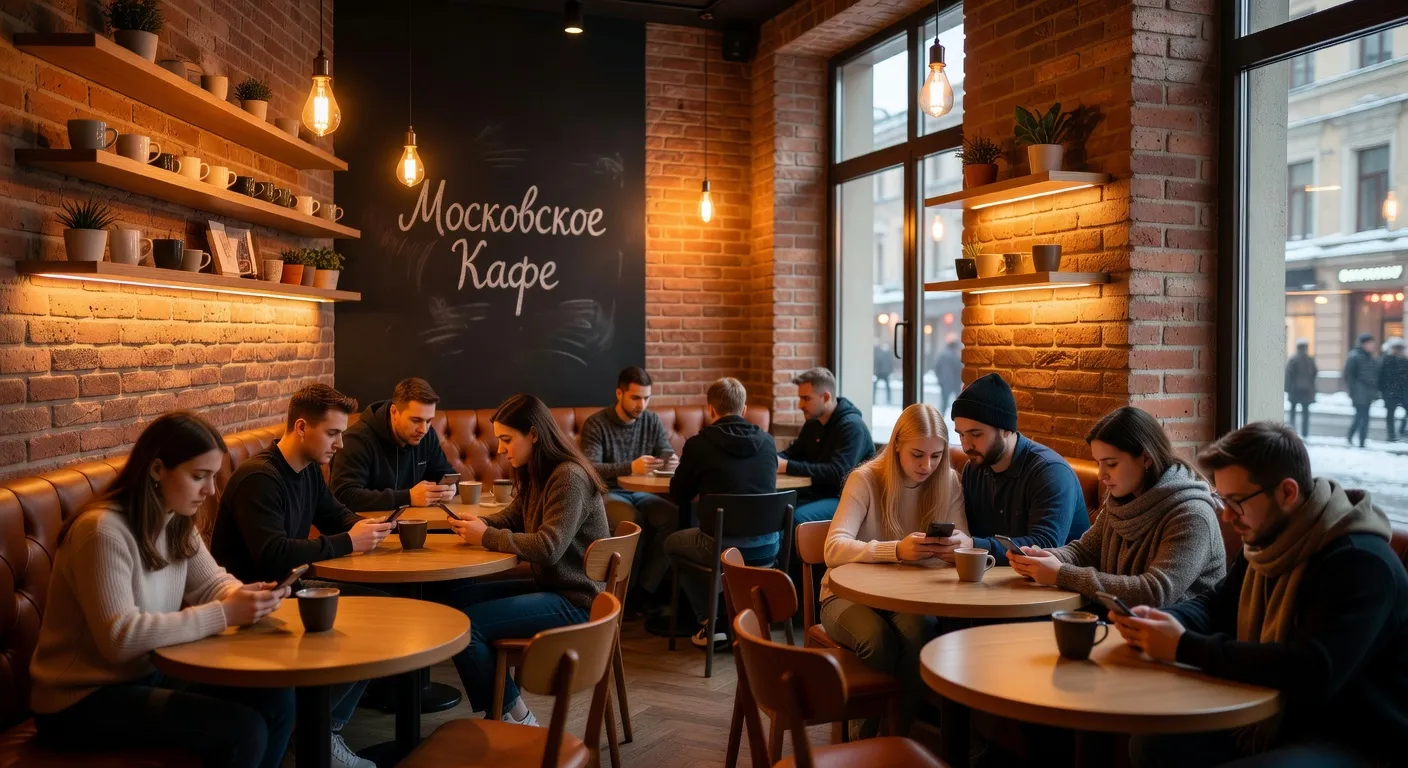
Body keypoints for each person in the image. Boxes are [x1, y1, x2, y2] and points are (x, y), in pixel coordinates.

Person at [1115, 422, 1408, 768]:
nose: (1227, 516)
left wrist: (1182, 646)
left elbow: (1314, 669)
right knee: (1151, 745)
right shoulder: (1268, 541)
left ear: (1287, 493)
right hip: (1278, 718)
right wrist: (1160, 622)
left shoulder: (1360, 560)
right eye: (1223, 500)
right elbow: (1218, 604)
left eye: (1236, 503)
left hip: (1356, 736)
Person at [29, 412, 294, 768]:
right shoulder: (102, 531)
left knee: (276, 696)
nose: (210, 490)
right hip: (78, 701)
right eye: (199, 476)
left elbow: (212, 583)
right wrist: (225, 613)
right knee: (244, 731)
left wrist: (243, 597)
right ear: (156, 470)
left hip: (145, 675)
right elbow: (120, 638)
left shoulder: (175, 520)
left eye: (213, 477)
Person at [211, 383, 390, 768]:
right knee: (373, 620)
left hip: (288, 590)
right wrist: (348, 541)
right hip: (253, 604)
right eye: (333, 433)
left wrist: (367, 528)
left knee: (383, 613)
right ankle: (314, 731)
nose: (340, 444)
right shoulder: (260, 478)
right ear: (303, 427)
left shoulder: (308, 470)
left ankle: (322, 728)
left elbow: (335, 515)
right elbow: (274, 557)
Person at [442, 393, 610, 726]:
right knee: (450, 605)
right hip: (552, 585)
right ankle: (507, 710)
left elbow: (549, 547)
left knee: (466, 624)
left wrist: (485, 537)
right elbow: (515, 516)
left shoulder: (569, 476)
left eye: (507, 440)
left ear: (533, 434)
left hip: (577, 600)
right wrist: (479, 525)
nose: (502, 449)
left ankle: (513, 715)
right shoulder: (539, 471)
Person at [820, 403, 966, 735]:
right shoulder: (866, 479)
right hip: (845, 595)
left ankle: (896, 735)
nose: (927, 465)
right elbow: (832, 549)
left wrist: (957, 546)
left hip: (904, 597)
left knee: (922, 633)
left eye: (936, 456)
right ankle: (865, 738)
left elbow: (966, 540)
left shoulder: (950, 482)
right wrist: (896, 550)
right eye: (917, 454)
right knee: (878, 640)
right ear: (897, 443)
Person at [1008, 406, 1226, 608]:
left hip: (1177, 639)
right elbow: (1085, 552)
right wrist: (1043, 558)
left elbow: (1155, 592)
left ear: (1146, 458)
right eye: (1098, 463)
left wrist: (1061, 574)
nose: (1102, 474)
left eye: (1111, 464)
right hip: (1122, 623)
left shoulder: (1192, 514)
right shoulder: (1120, 499)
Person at [664, 377, 778, 648]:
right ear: (745, 409)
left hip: (721, 548)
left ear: (711, 410)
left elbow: (678, 494)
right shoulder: (768, 442)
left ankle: (710, 621)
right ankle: (743, 620)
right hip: (768, 547)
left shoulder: (698, 445)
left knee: (671, 544)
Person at [940, 373, 1089, 564]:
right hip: (1000, 581)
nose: (966, 445)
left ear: (1006, 429)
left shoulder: (1050, 472)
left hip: (1055, 588)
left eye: (975, 434)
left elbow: (1045, 545)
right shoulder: (974, 469)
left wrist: (975, 546)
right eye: (961, 435)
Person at [578, 366, 679, 601]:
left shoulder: (651, 420)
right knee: (632, 520)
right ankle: (624, 596)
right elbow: (591, 468)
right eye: (635, 398)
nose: (641, 405)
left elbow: (664, 449)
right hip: (608, 492)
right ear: (619, 394)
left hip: (642, 492)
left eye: (646, 398)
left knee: (675, 517)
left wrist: (669, 460)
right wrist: (630, 467)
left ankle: (646, 590)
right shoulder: (596, 423)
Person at [330, 376, 458, 511]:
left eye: (428, 421)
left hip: (416, 522)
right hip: (368, 527)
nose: (423, 429)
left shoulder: (426, 435)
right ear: (394, 412)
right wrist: (407, 497)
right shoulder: (357, 439)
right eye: (415, 420)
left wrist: (450, 488)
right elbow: (344, 495)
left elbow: (445, 474)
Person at [778, 367, 874, 526]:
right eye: (800, 398)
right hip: (819, 492)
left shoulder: (851, 427)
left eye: (806, 398)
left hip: (849, 498)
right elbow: (792, 453)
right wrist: (770, 459)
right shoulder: (813, 424)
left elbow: (838, 474)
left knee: (797, 517)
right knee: (776, 504)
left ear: (826, 397)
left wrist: (787, 467)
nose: (800, 405)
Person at [1344, 332, 1379, 447]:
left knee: (1362, 417)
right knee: (1362, 417)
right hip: (1359, 393)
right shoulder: (1354, 356)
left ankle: (1354, 437)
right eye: (1370, 343)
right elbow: (1349, 376)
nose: (1372, 346)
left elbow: (1374, 375)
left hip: (1368, 393)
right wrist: (1352, 392)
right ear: (1364, 344)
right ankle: (1360, 441)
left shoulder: (1370, 357)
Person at [1283, 339, 1316, 437]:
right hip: (1306, 391)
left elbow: (1288, 375)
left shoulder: (1293, 359)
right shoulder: (1310, 359)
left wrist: (1287, 389)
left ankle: (1292, 431)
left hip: (1295, 390)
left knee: (1293, 412)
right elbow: (1314, 373)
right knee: (1305, 413)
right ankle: (1305, 433)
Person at [1379, 338, 1408, 442]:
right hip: (1390, 392)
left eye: (1399, 348)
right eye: (1396, 348)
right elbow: (1380, 377)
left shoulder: (1403, 360)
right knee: (1390, 414)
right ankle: (1391, 435)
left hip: (1403, 392)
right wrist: (1382, 391)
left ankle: (1402, 430)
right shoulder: (1385, 360)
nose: (1398, 350)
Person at [933, 339, 962, 414]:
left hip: (944, 382)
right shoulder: (955, 355)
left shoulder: (942, 354)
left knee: (944, 401)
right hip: (955, 382)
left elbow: (936, 367)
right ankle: (958, 417)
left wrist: (939, 378)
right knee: (958, 401)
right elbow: (959, 368)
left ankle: (941, 417)